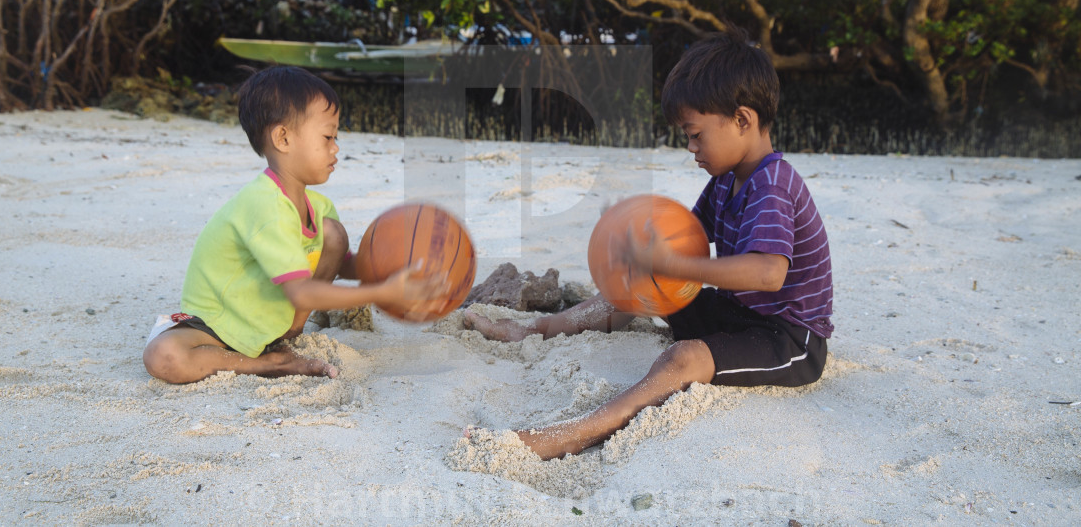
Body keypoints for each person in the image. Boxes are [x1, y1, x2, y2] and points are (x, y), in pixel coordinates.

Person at [463, 31, 833, 459]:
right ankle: (536, 330)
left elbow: (768, 273)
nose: (691, 148)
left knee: (684, 358)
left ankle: (576, 432)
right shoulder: (727, 180)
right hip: (738, 314)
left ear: (742, 120)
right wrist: (635, 235)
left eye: (695, 135)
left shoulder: (772, 184)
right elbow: (688, 235)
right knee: (643, 283)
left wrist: (673, 263)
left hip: (788, 339)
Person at [144, 66, 447, 384]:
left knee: (333, 233)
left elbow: (343, 267)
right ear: (283, 138)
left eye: (336, 137)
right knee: (163, 357)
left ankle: (289, 333)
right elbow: (301, 293)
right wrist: (382, 291)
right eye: (328, 137)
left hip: (273, 321)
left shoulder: (318, 207)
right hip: (219, 325)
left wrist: (397, 268)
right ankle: (269, 364)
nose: (336, 147)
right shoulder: (264, 205)